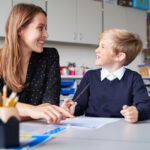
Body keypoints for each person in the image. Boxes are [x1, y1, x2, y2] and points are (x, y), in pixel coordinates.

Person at [0, 3, 73, 123]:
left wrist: (10, 112)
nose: (46, 34)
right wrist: (32, 111)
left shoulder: (50, 56)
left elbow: (49, 106)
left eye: (46, 28)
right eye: (40, 28)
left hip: (39, 130)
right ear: (20, 30)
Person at [61, 28, 150, 123]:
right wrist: (71, 109)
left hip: (120, 128)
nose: (96, 50)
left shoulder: (133, 78)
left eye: (102, 47)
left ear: (119, 56)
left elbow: (146, 107)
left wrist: (137, 113)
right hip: (92, 128)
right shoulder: (90, 76)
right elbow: (79, 106)